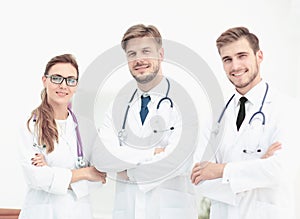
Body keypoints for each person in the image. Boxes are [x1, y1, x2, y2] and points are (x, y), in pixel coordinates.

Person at [191, 26, 299, 219]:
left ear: (259, 56)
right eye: (227, 60)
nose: (235, 66)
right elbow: (199, 178)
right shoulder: (216, 115)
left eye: (242, 56)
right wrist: (258, 167)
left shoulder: (288, 108)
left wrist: (221, 170)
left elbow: (281, 169)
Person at [97, 24, 198, 219]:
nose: (139, 60)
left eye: (146, 51)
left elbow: (178, 161)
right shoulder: (118, 105)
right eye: (132, 54)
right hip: (127, 211)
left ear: (161, 54)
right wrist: (152, 152)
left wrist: (128, 172)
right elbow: (101, 158)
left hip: (170, 211)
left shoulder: (184, 102)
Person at [18, 54, 107, 219]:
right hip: (42, 212)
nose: (63, 85)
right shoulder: (31, 125)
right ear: (45, 80)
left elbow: (99, 177)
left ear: (76, 85)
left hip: (79, 212)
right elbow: (37, 179)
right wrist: (85, 173)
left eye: (70, 80)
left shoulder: (86, 127)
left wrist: (52, 174)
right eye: (57, 78)